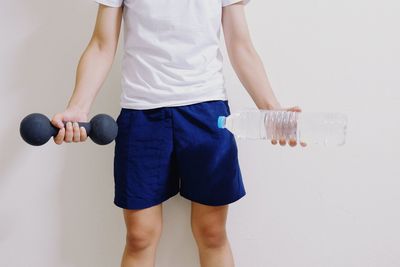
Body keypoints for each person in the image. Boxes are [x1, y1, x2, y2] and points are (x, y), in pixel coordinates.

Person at [51, 0, 305, 266]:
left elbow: (240, 45)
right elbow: (102, 45)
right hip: (141, 113)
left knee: (212, 232)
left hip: (207, 111)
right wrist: (77, 108)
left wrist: (271, 109)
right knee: (139, 236)